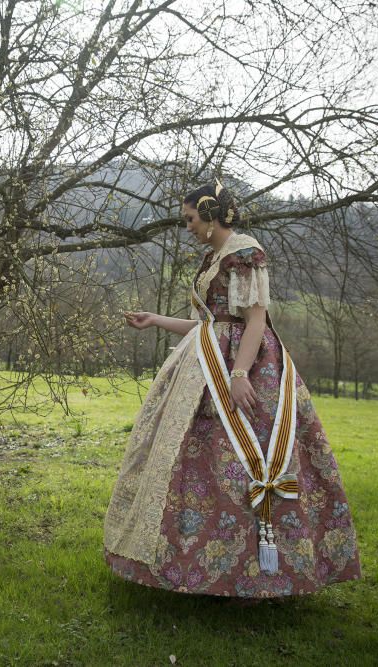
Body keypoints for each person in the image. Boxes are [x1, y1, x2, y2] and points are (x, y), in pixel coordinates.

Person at [102, 181, 361, 598]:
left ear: (209, 213)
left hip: (247, 365)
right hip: (205, 362)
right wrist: (155, 320)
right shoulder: (213, 259)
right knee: (193, 459)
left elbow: (256, 320)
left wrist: (239, 375)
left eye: (189, 219)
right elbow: (209, 326)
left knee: (245, 455)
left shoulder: (245, 253)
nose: (186, 227)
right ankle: (191, 565)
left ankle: (266, 572)